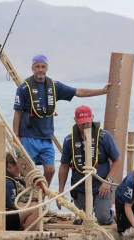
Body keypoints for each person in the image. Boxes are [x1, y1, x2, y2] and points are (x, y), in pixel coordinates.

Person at [13, 54, 111, 186]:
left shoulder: (54, 86)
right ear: (32, 68)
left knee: (50, 170)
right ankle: (27, 195)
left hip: (47, 137)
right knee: (26, 171)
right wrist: (15, 137)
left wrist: (102, 91)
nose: (40, 69)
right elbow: (17, 113)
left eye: (43, 66)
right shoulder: (24, 88)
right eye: (37, 67)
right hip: (28, 136)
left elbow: (78, 92)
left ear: (47, 68)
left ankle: (42, 193)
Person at [57, 105, 121, 225]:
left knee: (102, 219)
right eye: (81, 123)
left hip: (101, 186)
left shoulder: (104, 137)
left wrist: (107, 182)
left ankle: (112, 213)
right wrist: (61, 192)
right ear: (75, 120)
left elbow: (117, 160)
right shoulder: (69, 140)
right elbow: (64, 166)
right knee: (82, 220)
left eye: (87, 122)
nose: (85, 125)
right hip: (80, 187)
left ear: (92, 118)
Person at [5, 152, 39, 231]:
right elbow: (13, 205)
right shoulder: (8, 182)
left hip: (0, 215)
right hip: (4, 218)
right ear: (10, 165)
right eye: (19, 165)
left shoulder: (5, 177)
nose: (21, 169)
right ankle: (26, 236)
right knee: (35, 208)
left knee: (34, 220)